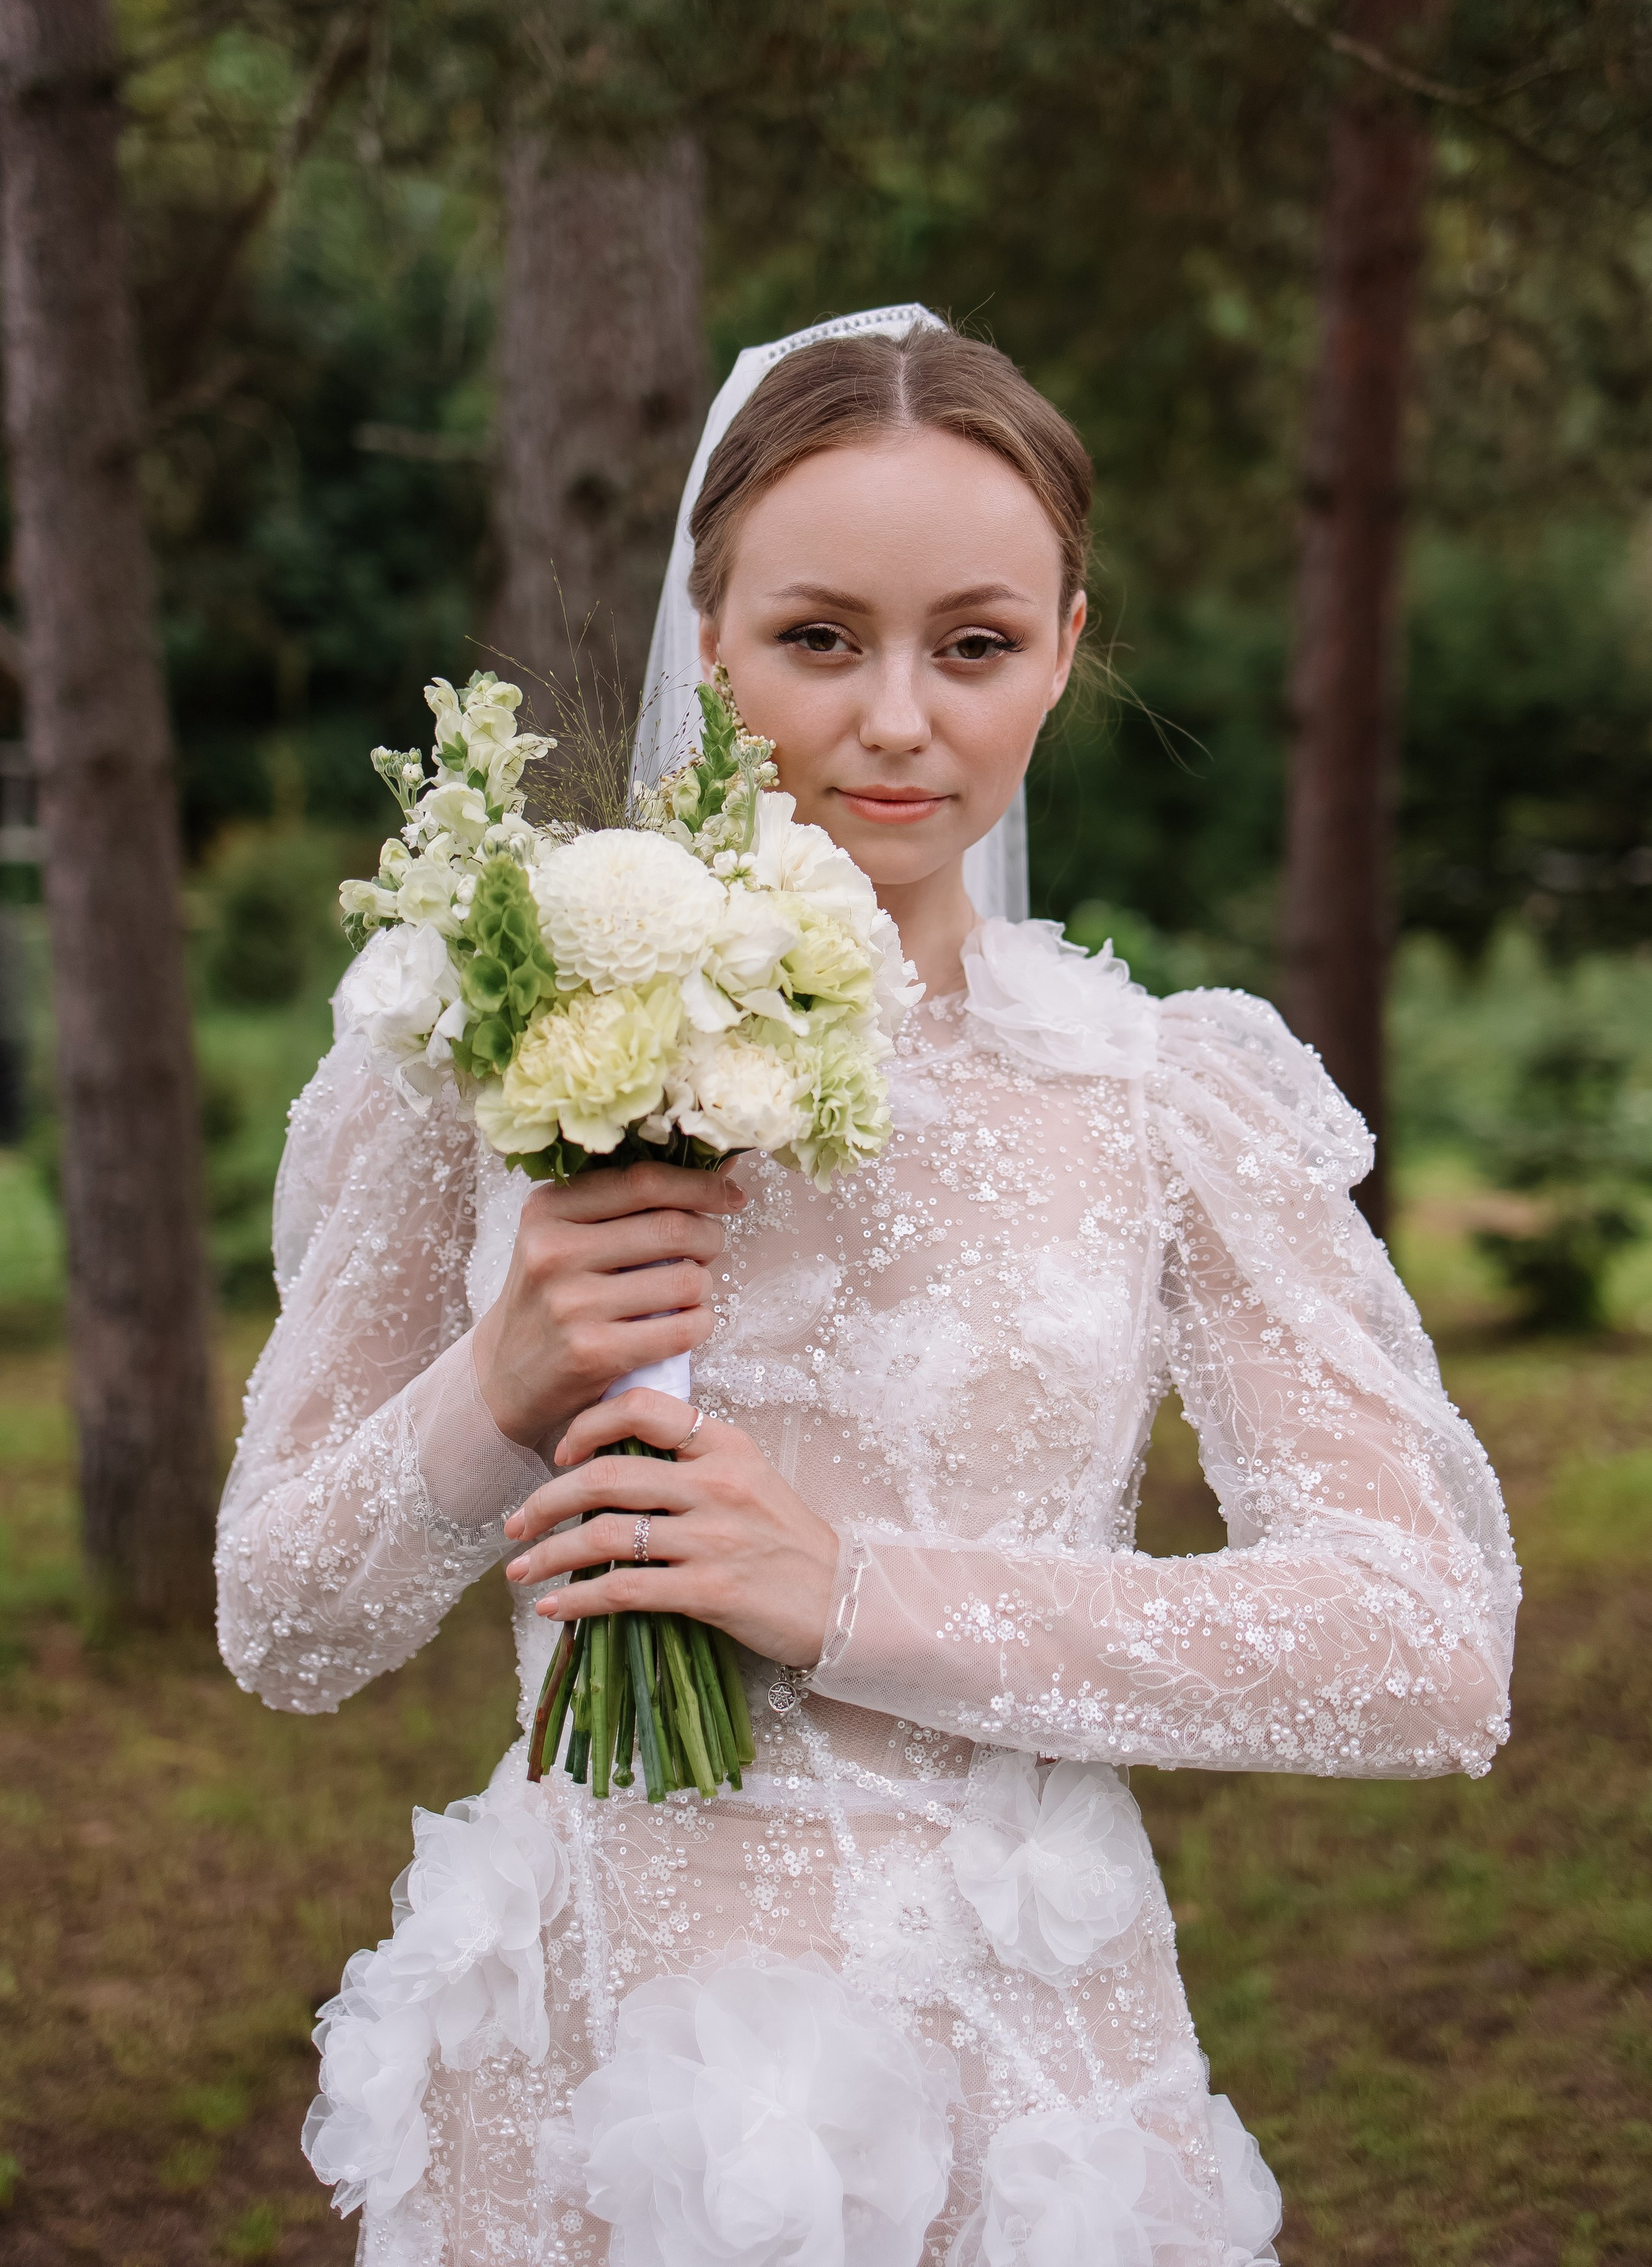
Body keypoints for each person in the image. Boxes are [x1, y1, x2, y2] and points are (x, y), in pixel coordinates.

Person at [216, 306, 1517, 2267]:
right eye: (820, 639)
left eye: (973, 645)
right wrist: (496, 1384)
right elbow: (284, 1626)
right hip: (591, 2076)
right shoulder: (487, 1040)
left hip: (1018, 2095)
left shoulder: (1167, 1100)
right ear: (710, 638)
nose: (896, 717)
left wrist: (847, 1598)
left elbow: (1423, 1650)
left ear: (1066, 649)